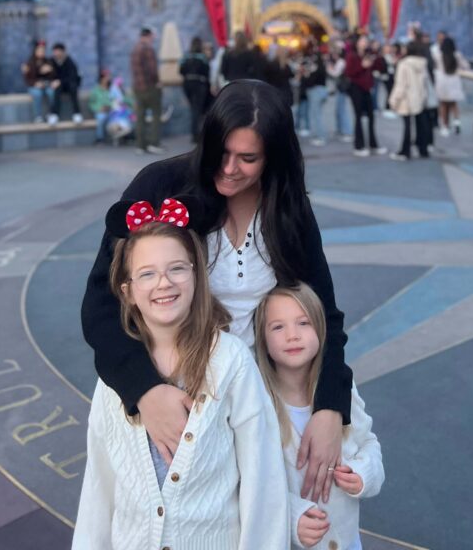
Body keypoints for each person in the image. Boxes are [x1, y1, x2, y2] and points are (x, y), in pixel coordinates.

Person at [81, 80, 352, 505]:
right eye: (221, 152)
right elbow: (101, 303)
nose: (229, 168)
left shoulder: (286, 206)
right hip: (179, 399)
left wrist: (330, 407)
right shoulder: (161, 184)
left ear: (273, 157)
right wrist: (145, 390)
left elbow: (323, 311)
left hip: (266, 405)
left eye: (248, 158)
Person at [73, 204, 289, 549]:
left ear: (197, 276)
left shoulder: (230, 362)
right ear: (126, 292)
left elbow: (263, 483)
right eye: (146, 274)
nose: (164, 283)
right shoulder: (115, 378)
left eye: (177, 268)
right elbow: (99, 488)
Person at [255, 283, 384, 550]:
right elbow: (254, 482)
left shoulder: (340, 391)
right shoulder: (260, 403)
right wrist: (292, 519)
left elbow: (368, 443)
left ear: (322, 329)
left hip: (347, 543)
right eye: (278, 327)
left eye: (303, 323)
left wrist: (362, 474)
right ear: (263, 340)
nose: (292, 335)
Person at [344, 36, 387, 158]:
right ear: (357, 43)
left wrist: (377, 54)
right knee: (358, 116)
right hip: (356, 88)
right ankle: (359, 146)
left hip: (367, 89)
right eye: (362, 41)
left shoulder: (368, 55)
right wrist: (362, 66)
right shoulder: (352, 56)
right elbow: (349, 72)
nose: (365, 43)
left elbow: (379, 67)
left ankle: (373, 145)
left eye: (366, 41)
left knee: (371, 116)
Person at [388, 40, 431, 160]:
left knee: (407, 126)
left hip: (406, 99)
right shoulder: (422, 63)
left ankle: (405, 151)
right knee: (420, 125)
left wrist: (393, 100)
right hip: (419, 97)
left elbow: (401, 85)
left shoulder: (404, 64)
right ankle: (423, 149)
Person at [130, 27, 164, 154]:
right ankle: (154, 143)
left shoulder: (135, 49)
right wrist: (157, 82)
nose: (153, 38)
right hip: (150, 87)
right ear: (148, 35)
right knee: (156, 115)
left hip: (138, 88)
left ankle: (140, 145)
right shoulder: (148, 49)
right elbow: (152, 69)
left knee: (140, 117)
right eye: (152, 36)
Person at [431, 36, 468, 135]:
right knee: (453, 104)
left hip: (442, 81)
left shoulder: (438, 55)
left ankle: (444, 126)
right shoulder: (457, 55)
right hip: (454, 81)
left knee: (443, 104)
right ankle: (457, 122)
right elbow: (466, 66)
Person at [179, 36, 211, 143]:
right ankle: (196, 134)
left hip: (187, 84)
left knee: (194, 108)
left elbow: (181, 70)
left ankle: (195, 133)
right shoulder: (202, 57)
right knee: (197, 109)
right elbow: (207, 72)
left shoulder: (186, 57)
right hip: (199, 84)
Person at [47, 42, 83, 124]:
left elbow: (73, 76)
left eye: (58, 51)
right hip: (58, 86)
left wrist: (60, 81)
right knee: (56, 90)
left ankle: (77, 113)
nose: (57, 53)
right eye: (55, 51)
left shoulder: (69, 62)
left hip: (68, 84)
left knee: (73, 88)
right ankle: (54, 114)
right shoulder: (51, 62)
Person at [21, 40, 56, 122]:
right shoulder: (29, 62)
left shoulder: (48, 61)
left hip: (46, 85)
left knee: (51, 93)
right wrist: (35, 83)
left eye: (43, 51)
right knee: (37, 94)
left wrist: (50, 71)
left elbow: (53, 77)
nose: (41, 52)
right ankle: (38, 116)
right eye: (39, 50)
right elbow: (27, 79)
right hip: (34, 85)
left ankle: (51, 114)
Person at [302, 41, 328, 147]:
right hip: (320, 90)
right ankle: (319, 135)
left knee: (317, 115)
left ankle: (321, 137)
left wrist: (307, 76)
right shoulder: (320, 64)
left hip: (316, 91)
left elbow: (312, 80)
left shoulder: (316, 65)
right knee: (318, 115)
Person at [88, 68, 114, 143]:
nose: (108, 79)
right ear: (101, 79)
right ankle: (100, 138)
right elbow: (91, 103)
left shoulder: (112, 89)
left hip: (111, 110)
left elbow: (116, 100)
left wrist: (110, 106)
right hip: (101, 111)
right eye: (106, 77)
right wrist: (98, 108)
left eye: (108, 77)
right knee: (101, 118)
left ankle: (126, 136)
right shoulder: (96, 90)